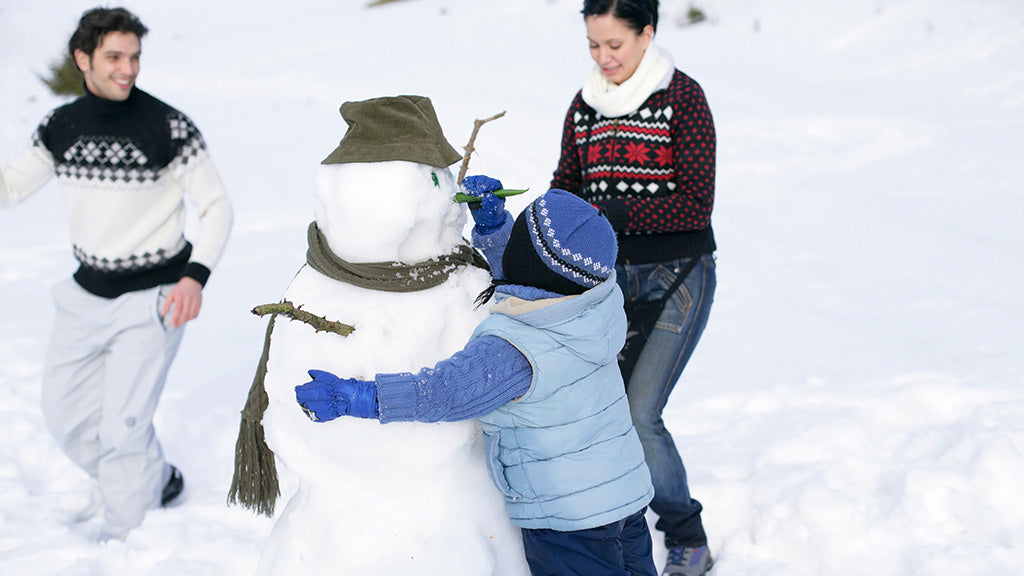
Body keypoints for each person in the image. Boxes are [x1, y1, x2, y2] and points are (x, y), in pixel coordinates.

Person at [295, 179, 658, 576]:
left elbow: (443, 392)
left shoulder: (516, 351)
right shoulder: (596, 305)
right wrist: (496, 227)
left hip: (569, 519)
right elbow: (539, 280)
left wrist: (359, 397)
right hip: (624, 496)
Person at [0, 7, 233, 540]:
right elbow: (10, 189)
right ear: (83, 59)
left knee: (123, 429)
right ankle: (157, 481)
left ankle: (128, 545)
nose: (127, 68)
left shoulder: (168, 126)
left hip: (155, 297)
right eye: (114, 57)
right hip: (83, 296)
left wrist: (194, 277)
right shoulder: (61, 126)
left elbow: (217, 207)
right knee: (65, 418)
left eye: (134, 57)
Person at [549, 1, 717, 574]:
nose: (604, 58)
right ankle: (616, 527)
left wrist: (610, 213)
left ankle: (687, 537)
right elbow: (567, 188)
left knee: (640, 414)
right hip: (609, 283)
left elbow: (696, 205)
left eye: (615, 45)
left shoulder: (682, 100)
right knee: (604, 412)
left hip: (679, 276)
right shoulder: (584, 105)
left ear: (647, 34)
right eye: (594, 46)